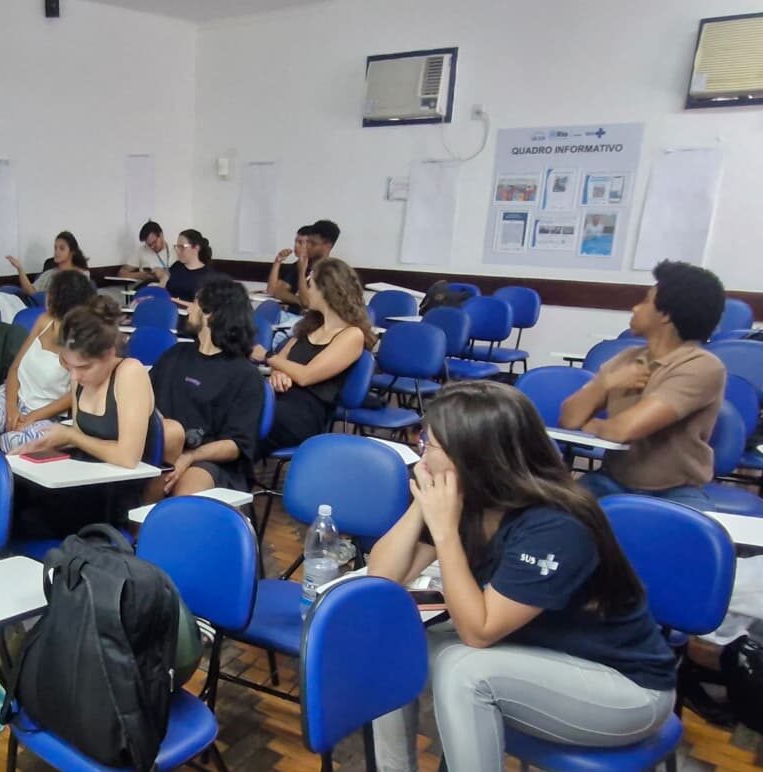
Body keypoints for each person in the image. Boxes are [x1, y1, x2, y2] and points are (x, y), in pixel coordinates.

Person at [368, 381, 677, 772]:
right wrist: (422, 505)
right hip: (533, 655)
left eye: (430, 442)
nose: (420, 449)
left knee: (464, 670)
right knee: (389, 637)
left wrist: (444, 531)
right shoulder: (465, 498)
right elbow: (381, 577)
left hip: (624, 689)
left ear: (474, 455)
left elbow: (478, 631)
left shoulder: (557, 523)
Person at [559, 260, 727, 510]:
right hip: (612, 481)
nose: (635, 308)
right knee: (553, 517)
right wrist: (604, 384)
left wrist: (592, 424)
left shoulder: (702, 367)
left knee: (689, 542)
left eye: (646, 301)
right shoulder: (627, 357)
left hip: (674, 492)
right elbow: (569, 419)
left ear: (666, 314)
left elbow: (624, 430)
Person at [10, 296, 156, 536]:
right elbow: (81, 432)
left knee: (23, 515)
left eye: (84, 367)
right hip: (84, 480)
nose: (75, 377)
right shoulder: (79, 377)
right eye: (69, 366)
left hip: (116, 494)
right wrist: (47, 443)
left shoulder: (130, 373)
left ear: (109, 354)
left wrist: (71, 436)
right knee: (9, 492)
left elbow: (128, 456)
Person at [148, 278, 264, 496]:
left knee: (184, 490)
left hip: (211, 460)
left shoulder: (245, 376)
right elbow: (144, 398)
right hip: (161, 451)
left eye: (195, 303)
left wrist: (190, 456)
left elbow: (236, 445)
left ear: (211, 313)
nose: (190, 308)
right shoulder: (175, 355)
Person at [0, 271, 96, 451]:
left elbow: (73, 396)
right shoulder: (44, 321)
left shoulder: (81, 340)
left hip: (46, 414)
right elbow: (15, 368)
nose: (46, 296)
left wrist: (33, 416)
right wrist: (11, 407)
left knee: (16, 443)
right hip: (11, 396)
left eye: (51, 292)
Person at [256, 259, 373, 455]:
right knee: (236, 412)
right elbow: (281, 360)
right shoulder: (309, 326)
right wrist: (278, 373)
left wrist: (267, 356)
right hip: (281, 400)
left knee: (245, 420)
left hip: (306, 414)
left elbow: (306, 375)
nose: (306, 290)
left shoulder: (352, 335)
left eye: (310, 284)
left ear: (326, 290)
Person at [5, 231, 91, 297]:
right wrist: (20, 268)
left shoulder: (81, 274)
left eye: (61, 248)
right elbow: (31, 292)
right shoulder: (49, 274)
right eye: (55, 248)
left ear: (72, 252)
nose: (57, 252)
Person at [159, 229, 215, 305]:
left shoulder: (208, 275)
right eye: (177, 247)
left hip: (189, 315)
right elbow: (161, 287)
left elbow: (199, 307)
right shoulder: (176, 266)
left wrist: (171, 300)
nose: (178, 251)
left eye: (182, 247)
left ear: (196, 248)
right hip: (166, 310)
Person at [298, 219, 340, 308]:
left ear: (327, 245)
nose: (307, 246)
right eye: (308, 242)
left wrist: (301, 272)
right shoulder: (306, 263)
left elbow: (306, 302)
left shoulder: (331, 271)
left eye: (313, 244)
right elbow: (279, 291)